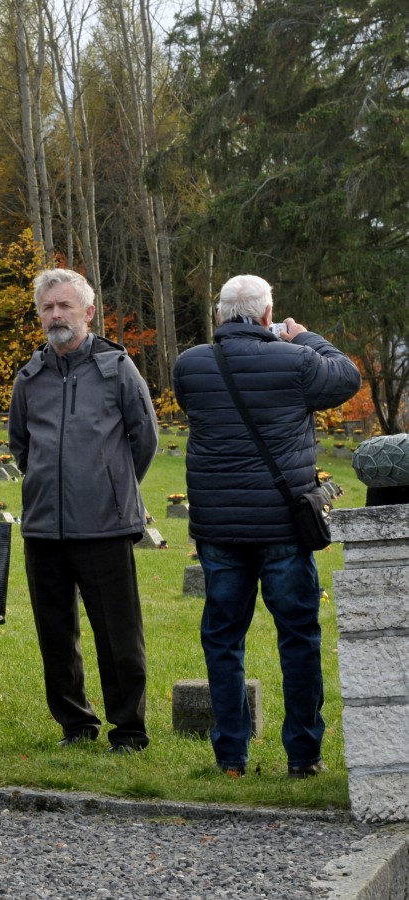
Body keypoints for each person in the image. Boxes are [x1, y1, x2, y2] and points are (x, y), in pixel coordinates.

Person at [173, 274, 360, 778]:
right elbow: (347, 377)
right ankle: (304, 755)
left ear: (219, 315)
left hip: (220, 528)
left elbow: (194, 407)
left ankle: (231, 757)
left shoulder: (190, 364)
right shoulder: (297, 360)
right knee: (298, 638)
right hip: (283, 524)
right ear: (266, 315)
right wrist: (303, 336)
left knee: (223, 639)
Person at [8, 268, 157, 752]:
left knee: (118, 634)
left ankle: (128, 729)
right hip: (44, 527)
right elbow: (21, 445)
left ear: (88, 312)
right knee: (55, 633)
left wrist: (111, 486)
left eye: (64, 306)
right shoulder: (29, 377)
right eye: (48, 307)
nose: (56, 315)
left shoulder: (118, 368)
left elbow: (144, 438)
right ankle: (75, 723)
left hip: (104, 525)